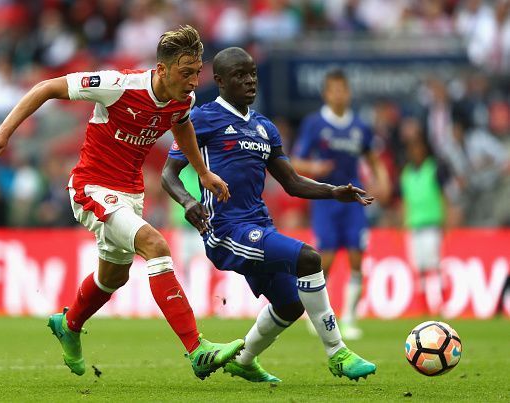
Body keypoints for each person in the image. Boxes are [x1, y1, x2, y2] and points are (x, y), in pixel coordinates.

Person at [0, 26, 244, 380]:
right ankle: (197, 349)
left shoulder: (183, 99)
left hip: (129, 193)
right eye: (186, 72)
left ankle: (68, 325)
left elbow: (181, 126)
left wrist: (203, 173)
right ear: (162, 70)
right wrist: (3, 132)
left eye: (196, 72)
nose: (194, 81)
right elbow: (46, 88)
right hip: (91, 187)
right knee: (156, 245)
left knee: (112, 277)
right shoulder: (118, 85)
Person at [162, 47, 376, 383]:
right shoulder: (202, 119)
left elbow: (291, 182)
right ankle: (338, 353)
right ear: (219, 81)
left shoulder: (264, 127)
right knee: (309, 258)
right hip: (226, 231)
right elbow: (168, 174)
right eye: (239, 75)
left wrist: (332, 190)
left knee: (291, 305)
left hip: (258, 226)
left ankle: (244, 360)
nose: (249, 81)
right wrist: (189, 202)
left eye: (252, 74)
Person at [291, 70, 389, 340]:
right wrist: (315, 167)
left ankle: (349, 318)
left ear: (348, 92)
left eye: (342, 89)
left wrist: (382, 180)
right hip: (326, 198)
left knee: (357, 257)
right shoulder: (314, 124)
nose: (338, 94)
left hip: (354, 199)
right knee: (328, 259)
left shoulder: (360, 126)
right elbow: (295, 162)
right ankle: (317, 314)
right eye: (333, 90)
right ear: (326, 93)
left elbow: (372, 158)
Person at [399, 117, 448, 315]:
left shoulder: (433, 169)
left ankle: (441, 305)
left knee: (434, 266)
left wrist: (448, 220)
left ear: (425, 150)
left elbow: (444, 196)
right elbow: (405, 201)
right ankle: (424, 306)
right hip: (414, 226)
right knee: (418, 268)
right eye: (412, 149)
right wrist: (402, 223)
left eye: (418, 148)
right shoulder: (406, 174)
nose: (415, 152)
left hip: (432, 224)